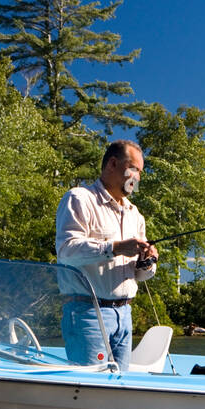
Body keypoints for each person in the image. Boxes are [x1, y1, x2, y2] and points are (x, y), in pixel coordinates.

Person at [56, 140, 159, 369]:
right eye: (134, 169)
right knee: (91, 387)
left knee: (120, 387)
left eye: (140, 172)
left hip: (125, 313)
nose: (137, 177)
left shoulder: (135, 215)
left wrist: (147, 263)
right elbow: (66, 251)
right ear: (113, 163)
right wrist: (115, 248)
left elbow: (140, 276)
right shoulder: (80, 198)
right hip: (87, 313)